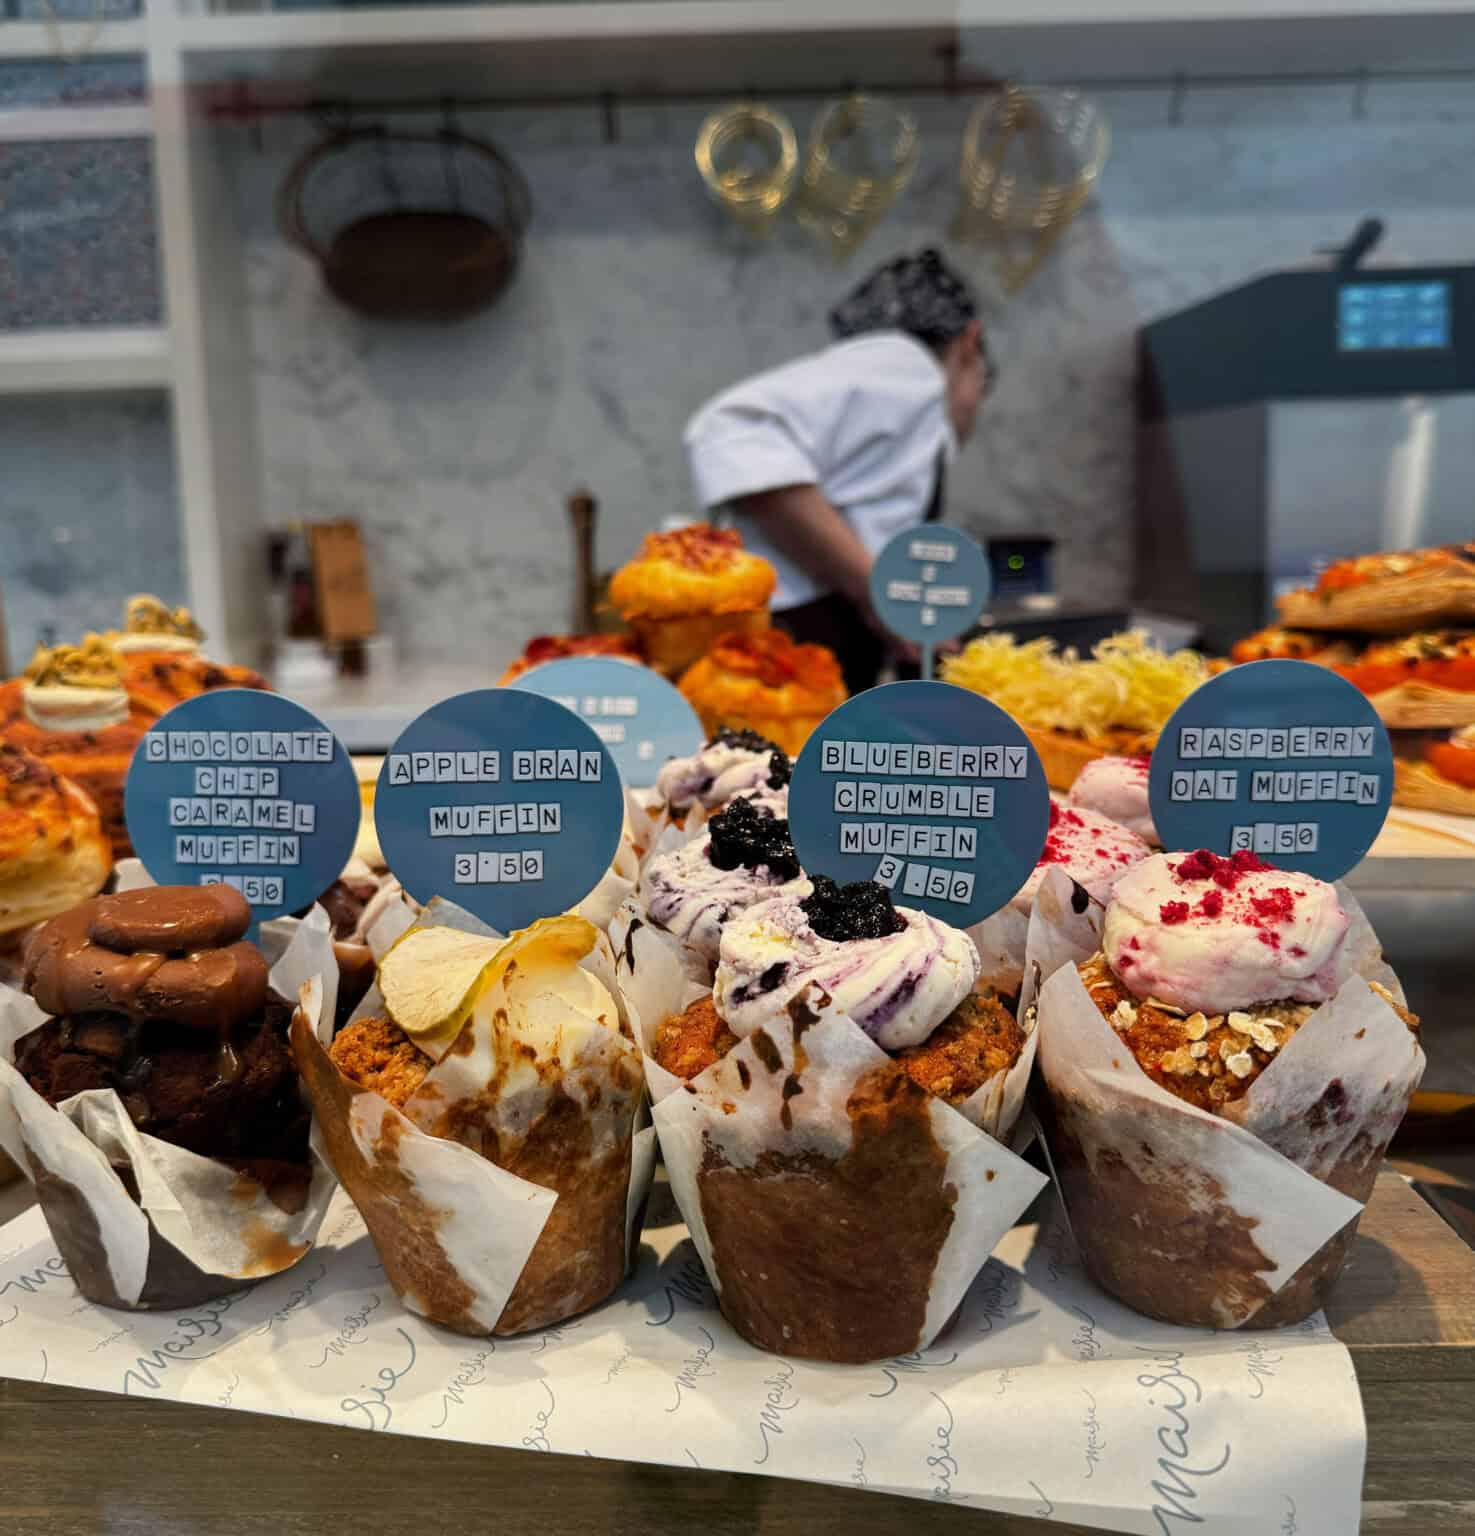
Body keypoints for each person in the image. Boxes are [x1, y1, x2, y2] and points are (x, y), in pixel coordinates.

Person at [683, 248, 993, 694]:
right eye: (982, 387)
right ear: (969, 344)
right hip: (788, 661)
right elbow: (732, 428)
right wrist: (877, 593)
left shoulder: (892, 403)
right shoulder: (907, 366)